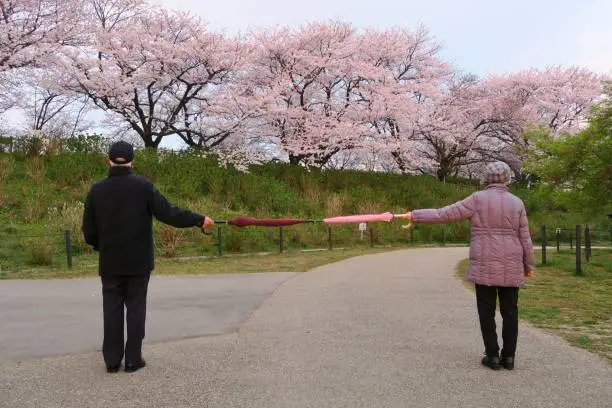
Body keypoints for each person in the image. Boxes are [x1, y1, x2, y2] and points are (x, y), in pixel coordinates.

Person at [82, 140, 215, 373]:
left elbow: (89, 231)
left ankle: (112, 360)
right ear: (133, 161)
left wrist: (100, 246)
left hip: (110, 261)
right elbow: (168, 213)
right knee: (136, 308)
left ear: (108, 160)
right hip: (139, 261)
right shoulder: (143, 186)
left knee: (111, 309)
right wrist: (198, 218)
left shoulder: (96, 190)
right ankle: (133, 359)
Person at [404, 162, 535, 371]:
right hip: (512, 262)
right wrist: (529, 265)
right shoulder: (517, 203)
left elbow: (443, 214)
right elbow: (525, 238)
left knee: (486, 310)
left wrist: (415, 215)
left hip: (484, 262)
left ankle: (492, 356)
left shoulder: (477, 199)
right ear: (508, 179)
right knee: (510, 311)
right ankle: (509, 357)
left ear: (485, 179)